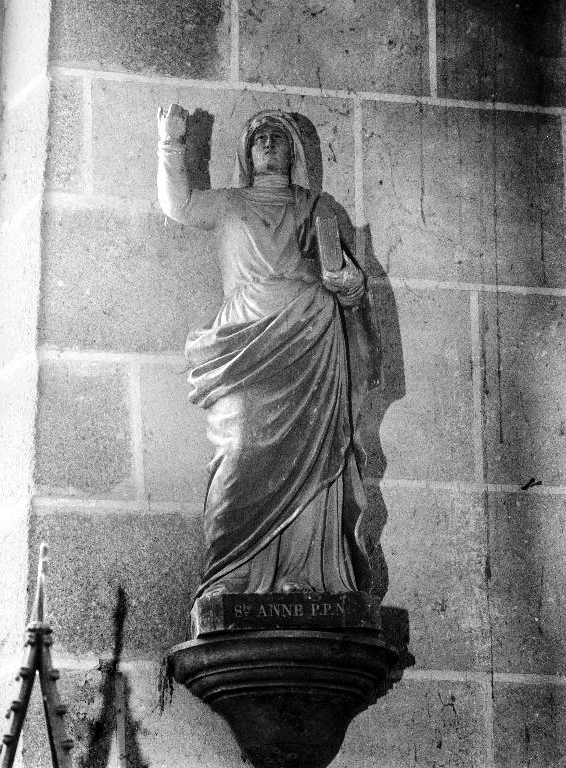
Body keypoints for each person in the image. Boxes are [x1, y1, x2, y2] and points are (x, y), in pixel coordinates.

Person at [157, 104, 376, 598]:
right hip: (244, 341)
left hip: (309, 338)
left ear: (292, 151)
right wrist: (170, 146)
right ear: (246, 153)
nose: (267, 144)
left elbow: (349, 282)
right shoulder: (231, 203)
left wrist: (349, 282)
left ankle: (306, 575)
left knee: (311, 459)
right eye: (258, 138)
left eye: (276, 137)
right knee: (237, 448)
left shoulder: (314, 206)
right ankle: (230, 574)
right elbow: (181, 206)